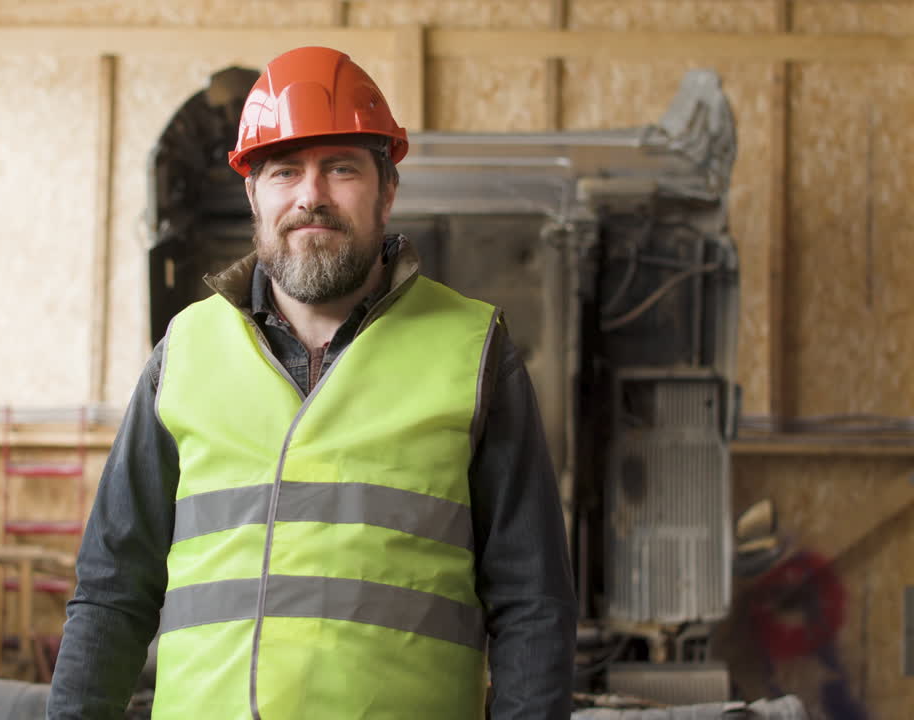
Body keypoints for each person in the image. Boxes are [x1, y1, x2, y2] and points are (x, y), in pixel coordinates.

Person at [47, 46, 575, 720]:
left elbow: (533, 607)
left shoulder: (474, 353)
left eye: (341, 168)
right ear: (253, 194)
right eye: (284, 171)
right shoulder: (184, 353)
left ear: (387, 190)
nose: (310, 196)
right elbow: (111, 590)